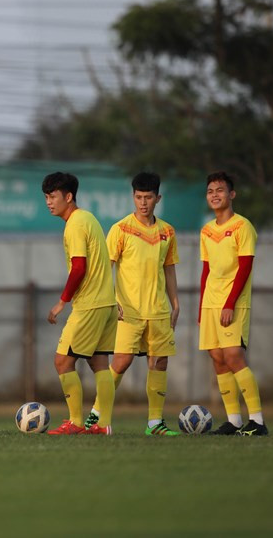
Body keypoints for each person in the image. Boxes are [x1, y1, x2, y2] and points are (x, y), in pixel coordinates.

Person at [84, 173, 181, 435]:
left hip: (158, 310)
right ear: (133, 197)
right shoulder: (120, 229)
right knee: (122, 361)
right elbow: (106, 268)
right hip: (128, 310)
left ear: (157, 198)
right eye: (138, 197)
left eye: (148, 197)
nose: (143, 202)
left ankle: (154, 423)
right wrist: (112, 301)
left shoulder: (167, 231)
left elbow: (169, 269)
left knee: (159, 363)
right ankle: (96, 415)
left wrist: (175, 303)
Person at [42, 172, 118, 435]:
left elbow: (79, 267)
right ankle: (104, 424)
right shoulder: (89, 218)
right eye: (46, 197)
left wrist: (63, 302)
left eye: (53, 197)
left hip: (90, 305)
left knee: (62, 362)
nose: (49, 202)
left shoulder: (74, 223)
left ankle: (75, 422)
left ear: (69, 196)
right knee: (99, 364)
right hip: (107, 302)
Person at [199, 172, 266, 435]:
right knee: (217, 359)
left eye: (220, 190)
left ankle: (258, 421)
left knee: (233, 356)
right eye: (210, 191)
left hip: (233, 303)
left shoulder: (243, 226)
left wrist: (229, 303)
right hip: (210, 303)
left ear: (232, 194)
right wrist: (202, 307)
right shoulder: (206, 230)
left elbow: (245, 267)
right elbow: (206, 270)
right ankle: (234, 420)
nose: (215, 195)